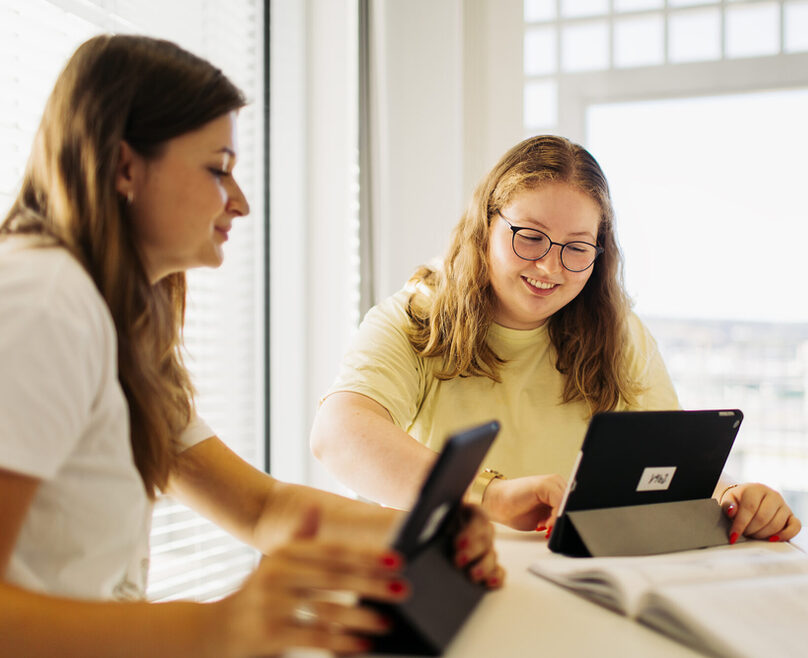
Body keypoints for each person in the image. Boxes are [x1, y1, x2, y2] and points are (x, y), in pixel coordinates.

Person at [0, 34, 501, 657]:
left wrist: (424, 535)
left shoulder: (117, 327)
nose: (238, 202)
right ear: (126, 167)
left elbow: (261, 509)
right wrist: (215, 628)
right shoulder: (43, 303)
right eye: (218, 169)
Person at [311, 135, 801, 545]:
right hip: (451, 580)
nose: (550, 266)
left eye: (577, 248)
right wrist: (490, 497)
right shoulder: (417, 317)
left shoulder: (620, 332)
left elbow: (669, 469)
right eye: (530, 236)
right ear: (486, 225)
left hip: (580, 582)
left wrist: (735, 497)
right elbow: (338, 435)